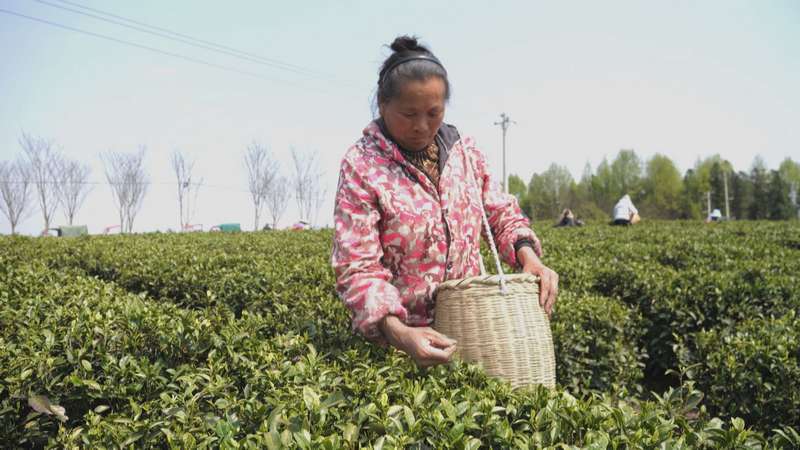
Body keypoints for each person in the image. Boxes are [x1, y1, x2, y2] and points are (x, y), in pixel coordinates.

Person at [331, 36, 559, 368]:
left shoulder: (464, 152)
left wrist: (529, 257)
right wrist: (399, 332)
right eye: (409, 114)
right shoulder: (363, 165)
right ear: (382, 104)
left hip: (475, 335)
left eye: (434, 112)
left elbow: (500, 215)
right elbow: (358, 266)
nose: (422, 125)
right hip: (398, 351)